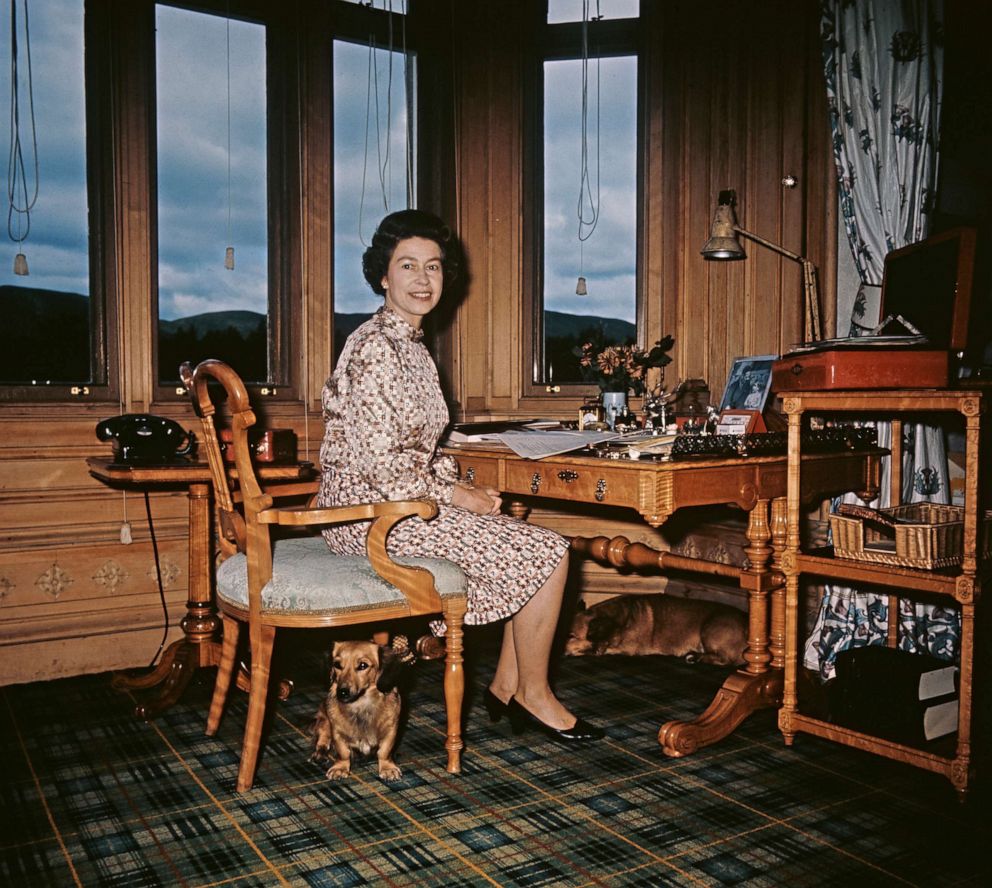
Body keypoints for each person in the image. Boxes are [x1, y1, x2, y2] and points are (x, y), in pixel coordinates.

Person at [316, 209, 602, 743]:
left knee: (535, 544)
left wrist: (459, 486)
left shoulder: (410, 345)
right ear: (383, 275)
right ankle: (533, 696)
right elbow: (384, 466)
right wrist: (456, 495)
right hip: (369, 515)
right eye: (407, 266)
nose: (423, 280)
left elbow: (418, 449)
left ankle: (505, 687)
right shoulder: (378, 348)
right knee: (551, 551)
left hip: (395, 500)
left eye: (434, 267)